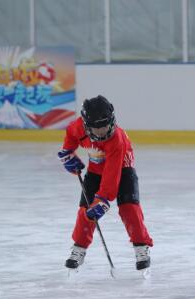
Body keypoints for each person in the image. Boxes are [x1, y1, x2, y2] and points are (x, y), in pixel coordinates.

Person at [58, 95, 153, 273]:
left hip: (122, 169)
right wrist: (68, 154)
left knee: (129, 207)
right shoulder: (77, 128)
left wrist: (103, 199)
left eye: (105, 126)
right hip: (95, 170)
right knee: (85, 210)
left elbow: (112, 174)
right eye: (97, 128)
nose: (102, 132)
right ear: (86, 124)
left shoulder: (117, 139)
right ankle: (79, 248)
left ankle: (141, 247)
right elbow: (70, 137)